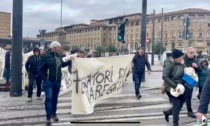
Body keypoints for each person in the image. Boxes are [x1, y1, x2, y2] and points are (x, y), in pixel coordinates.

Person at [38, 41, 73, 124]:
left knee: (55, 99)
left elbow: (62, 65)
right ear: (54, 48)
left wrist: (70, 61)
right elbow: (39, 68)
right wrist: (45, 79)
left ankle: (54, 114)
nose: (60, 48)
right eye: (58, 47)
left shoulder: (59, 56)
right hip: (49, 82)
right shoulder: (46, 57)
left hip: (57, 82)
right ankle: (48, 116)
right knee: (49, 98)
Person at [162, 49, 185, 126]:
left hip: (180, 87)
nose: (182, 59)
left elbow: (184, 74)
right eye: (181, 57)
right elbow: (165, 76)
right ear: (176, 58)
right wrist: (174, 86)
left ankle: (167, 112)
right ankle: (175, 123)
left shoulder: (181, 64)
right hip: (171, 88)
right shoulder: (169, 63)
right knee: (176, 106)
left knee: (180, 105)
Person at [183, 47, 201, 118]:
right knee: (185, 97)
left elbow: (200, 70)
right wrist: (192, 66)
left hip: (191, 81)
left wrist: (197, 66)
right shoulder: (184, 60)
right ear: (187, 53)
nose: (192, 54)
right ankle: (189, 111)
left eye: (193, 53)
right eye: (190, 53)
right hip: (184, 79)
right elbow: (184, 68)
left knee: (188, 96)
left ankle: (189, 111)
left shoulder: (195, 59)